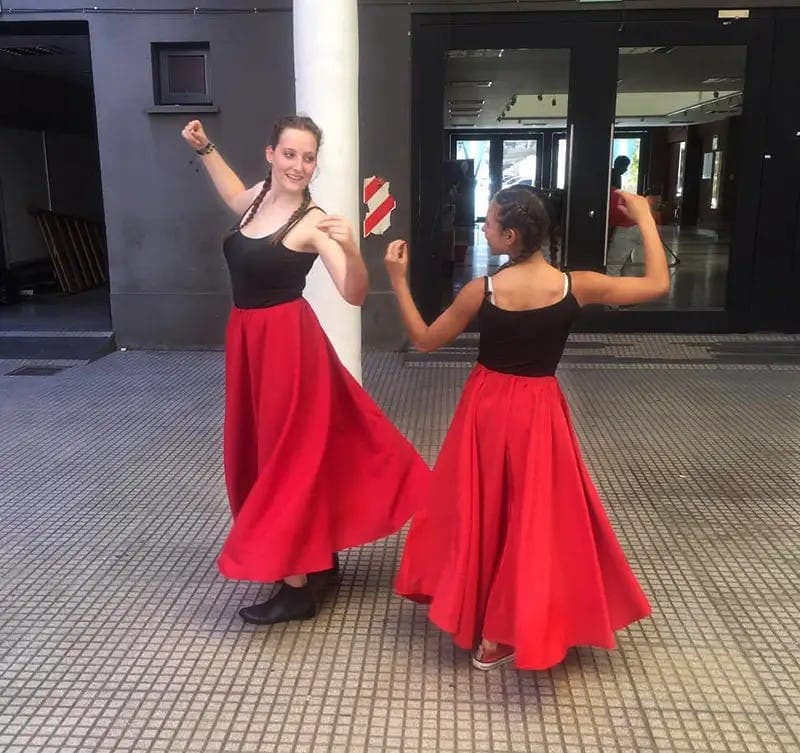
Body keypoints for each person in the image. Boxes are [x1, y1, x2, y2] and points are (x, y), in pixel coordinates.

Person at [385, 186, 669, 671]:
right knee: (533, 516)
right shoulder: (576, 285)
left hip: (487, 408)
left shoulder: (483, 290)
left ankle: (479, 609)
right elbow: (657, 284)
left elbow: (424, 339)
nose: (484, 227)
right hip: (540, 410)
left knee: (482, 508)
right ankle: (509, 629)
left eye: (489, 222)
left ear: (510, 235)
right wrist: (644, 218)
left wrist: (396, 281)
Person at [181, 116, 429, 626]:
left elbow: (354, 293)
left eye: (308, 157)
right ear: (271, 154)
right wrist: (206, 149)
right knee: (276, 449)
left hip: (287, 348)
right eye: (290, 154)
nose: (299, 165)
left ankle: (296, 587)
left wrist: (356, 251)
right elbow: (230, 192)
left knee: (282, 458)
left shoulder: (314, 221)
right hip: (250, 340)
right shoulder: (254, 199)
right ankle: (320, 558)